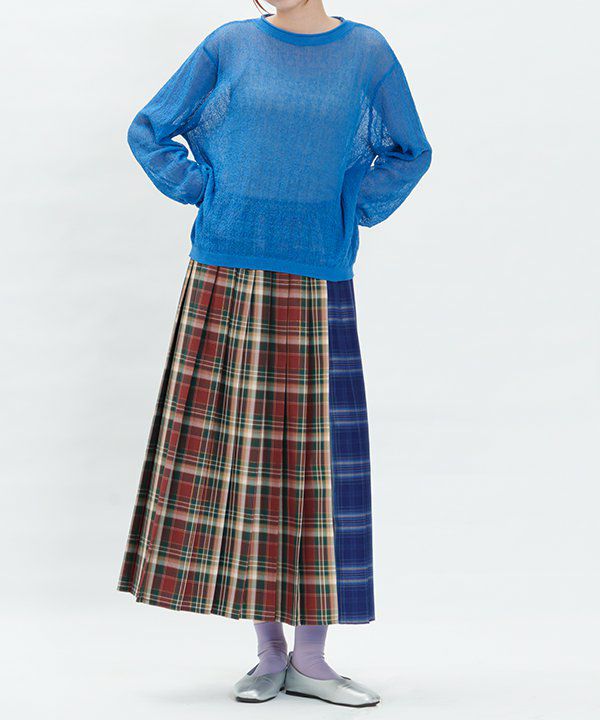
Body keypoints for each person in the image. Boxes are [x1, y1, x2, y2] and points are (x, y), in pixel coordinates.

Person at [117, 0, 431, 706]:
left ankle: (312, 660)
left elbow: (410, 150)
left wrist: (350, 205)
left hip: (317, 272)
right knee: (246, 465)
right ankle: (267, 653)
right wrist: (206, 191)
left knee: (316, 466)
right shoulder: (229, 45)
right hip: (225, 266)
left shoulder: (366, 53)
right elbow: (150, 129)